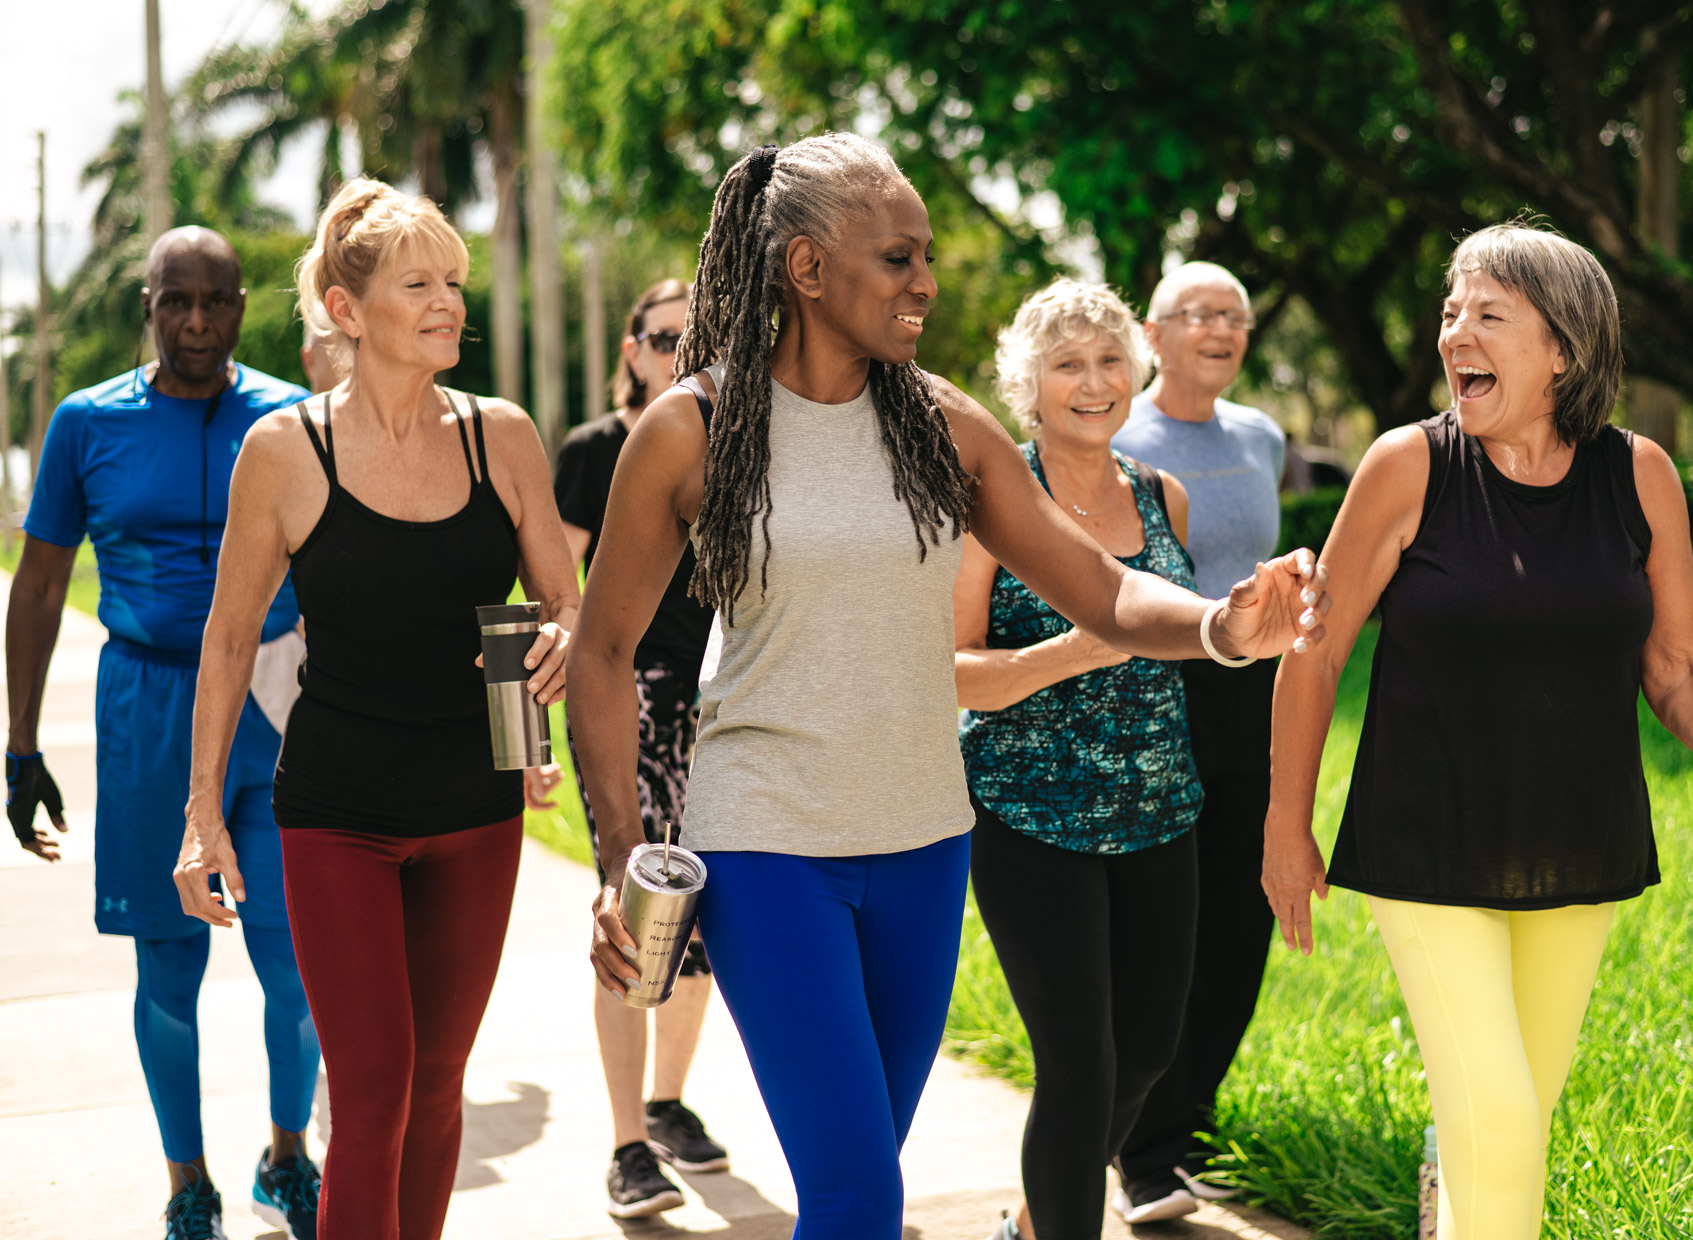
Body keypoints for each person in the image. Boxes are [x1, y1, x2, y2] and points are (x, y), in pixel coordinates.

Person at [567, 133, 1329, 1240]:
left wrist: (1219, 624)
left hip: (924, 841)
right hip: (768, 839)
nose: (925, 281)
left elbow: (1102, 590)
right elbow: (600, 651)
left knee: (869, 1167)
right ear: (806, 266)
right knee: (857, 1196)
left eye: (923, 257)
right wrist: (623, 859)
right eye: (898, 258)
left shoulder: (941, 423)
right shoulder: (695, 426)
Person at [1262, 222, 1693, 1240]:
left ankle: (1451, 1188)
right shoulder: (1407, 467)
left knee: (1512, 1116)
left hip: (1578, 848)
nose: (1453, 336)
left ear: (1561, 348)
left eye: (1487, 316)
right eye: (1449, 314)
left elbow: (1678, 664)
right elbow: (1316, 649)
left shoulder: (1639, 475)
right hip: (1424, 844)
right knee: (1508, 1130)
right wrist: (1283, 823)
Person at [172, 180, 578, 1240]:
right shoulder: (284, 452)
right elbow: (225, 639)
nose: (448, 301)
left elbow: (562, 607)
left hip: (476, 806)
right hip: (338, 810)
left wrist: (553, 664)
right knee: (374, 1091)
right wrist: (201, 812)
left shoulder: (505, 438)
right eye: (418, 284)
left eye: (453, 280)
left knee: (440, 1084)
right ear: (349, 313)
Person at [6, 227, 323, 1240]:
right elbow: (43, 584)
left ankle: (287, 1157)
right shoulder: (85, 423)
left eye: (215, 301)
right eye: (174, 301)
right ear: (146, 304)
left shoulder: (293, 417)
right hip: (148, 705)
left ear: (244, 305)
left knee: (296, 961)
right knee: (168, 964)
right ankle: (188, 1180)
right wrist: (20, 748)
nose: (195, 322)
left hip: (276, 706)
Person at [955, 280, 1202, 1240]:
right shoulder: (988, 499)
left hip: (1161, 811)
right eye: (1067, 365)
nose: (1093, 383)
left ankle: (1031, 1219)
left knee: (1146, 1051)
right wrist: (1066, 652)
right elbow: (953, 672)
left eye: (1108, 361)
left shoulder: (1160, 494)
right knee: (1079, 1067)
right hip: (1027, 817)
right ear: (1030, 384)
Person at [1107, 261, 1285, 1217]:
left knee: (1240, 913)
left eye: (1235, 316)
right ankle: (1143, 1141)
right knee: (1164, 920)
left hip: (1251, 698)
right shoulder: (1118, 433)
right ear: (1155, 331)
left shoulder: (1263, 435)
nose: (1219, 329)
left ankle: (1191, 1119)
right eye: (1198, 314)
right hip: (1151, 693)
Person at [553, 277, 732, 1218]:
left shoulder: (731, 441)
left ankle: (667, 1103)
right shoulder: (596, 450)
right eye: (662, 337)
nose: (677, 352)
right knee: (633, 922)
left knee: (705, 932)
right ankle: (628, 1145)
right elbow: (556, 591)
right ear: (631, 348)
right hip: (631, 704)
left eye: (693, 337)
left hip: (725, 711)